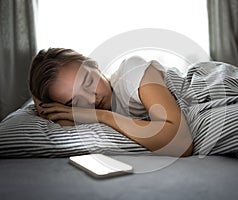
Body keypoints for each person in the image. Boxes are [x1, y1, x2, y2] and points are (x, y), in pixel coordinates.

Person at [29, 48, 193, 157]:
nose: (92, 100)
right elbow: (59, 120)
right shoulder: (84, 117)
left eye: (88, 82)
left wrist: (102, 116)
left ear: (94, 64)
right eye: (75, 102)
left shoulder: (130, 73)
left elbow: (180, 144)